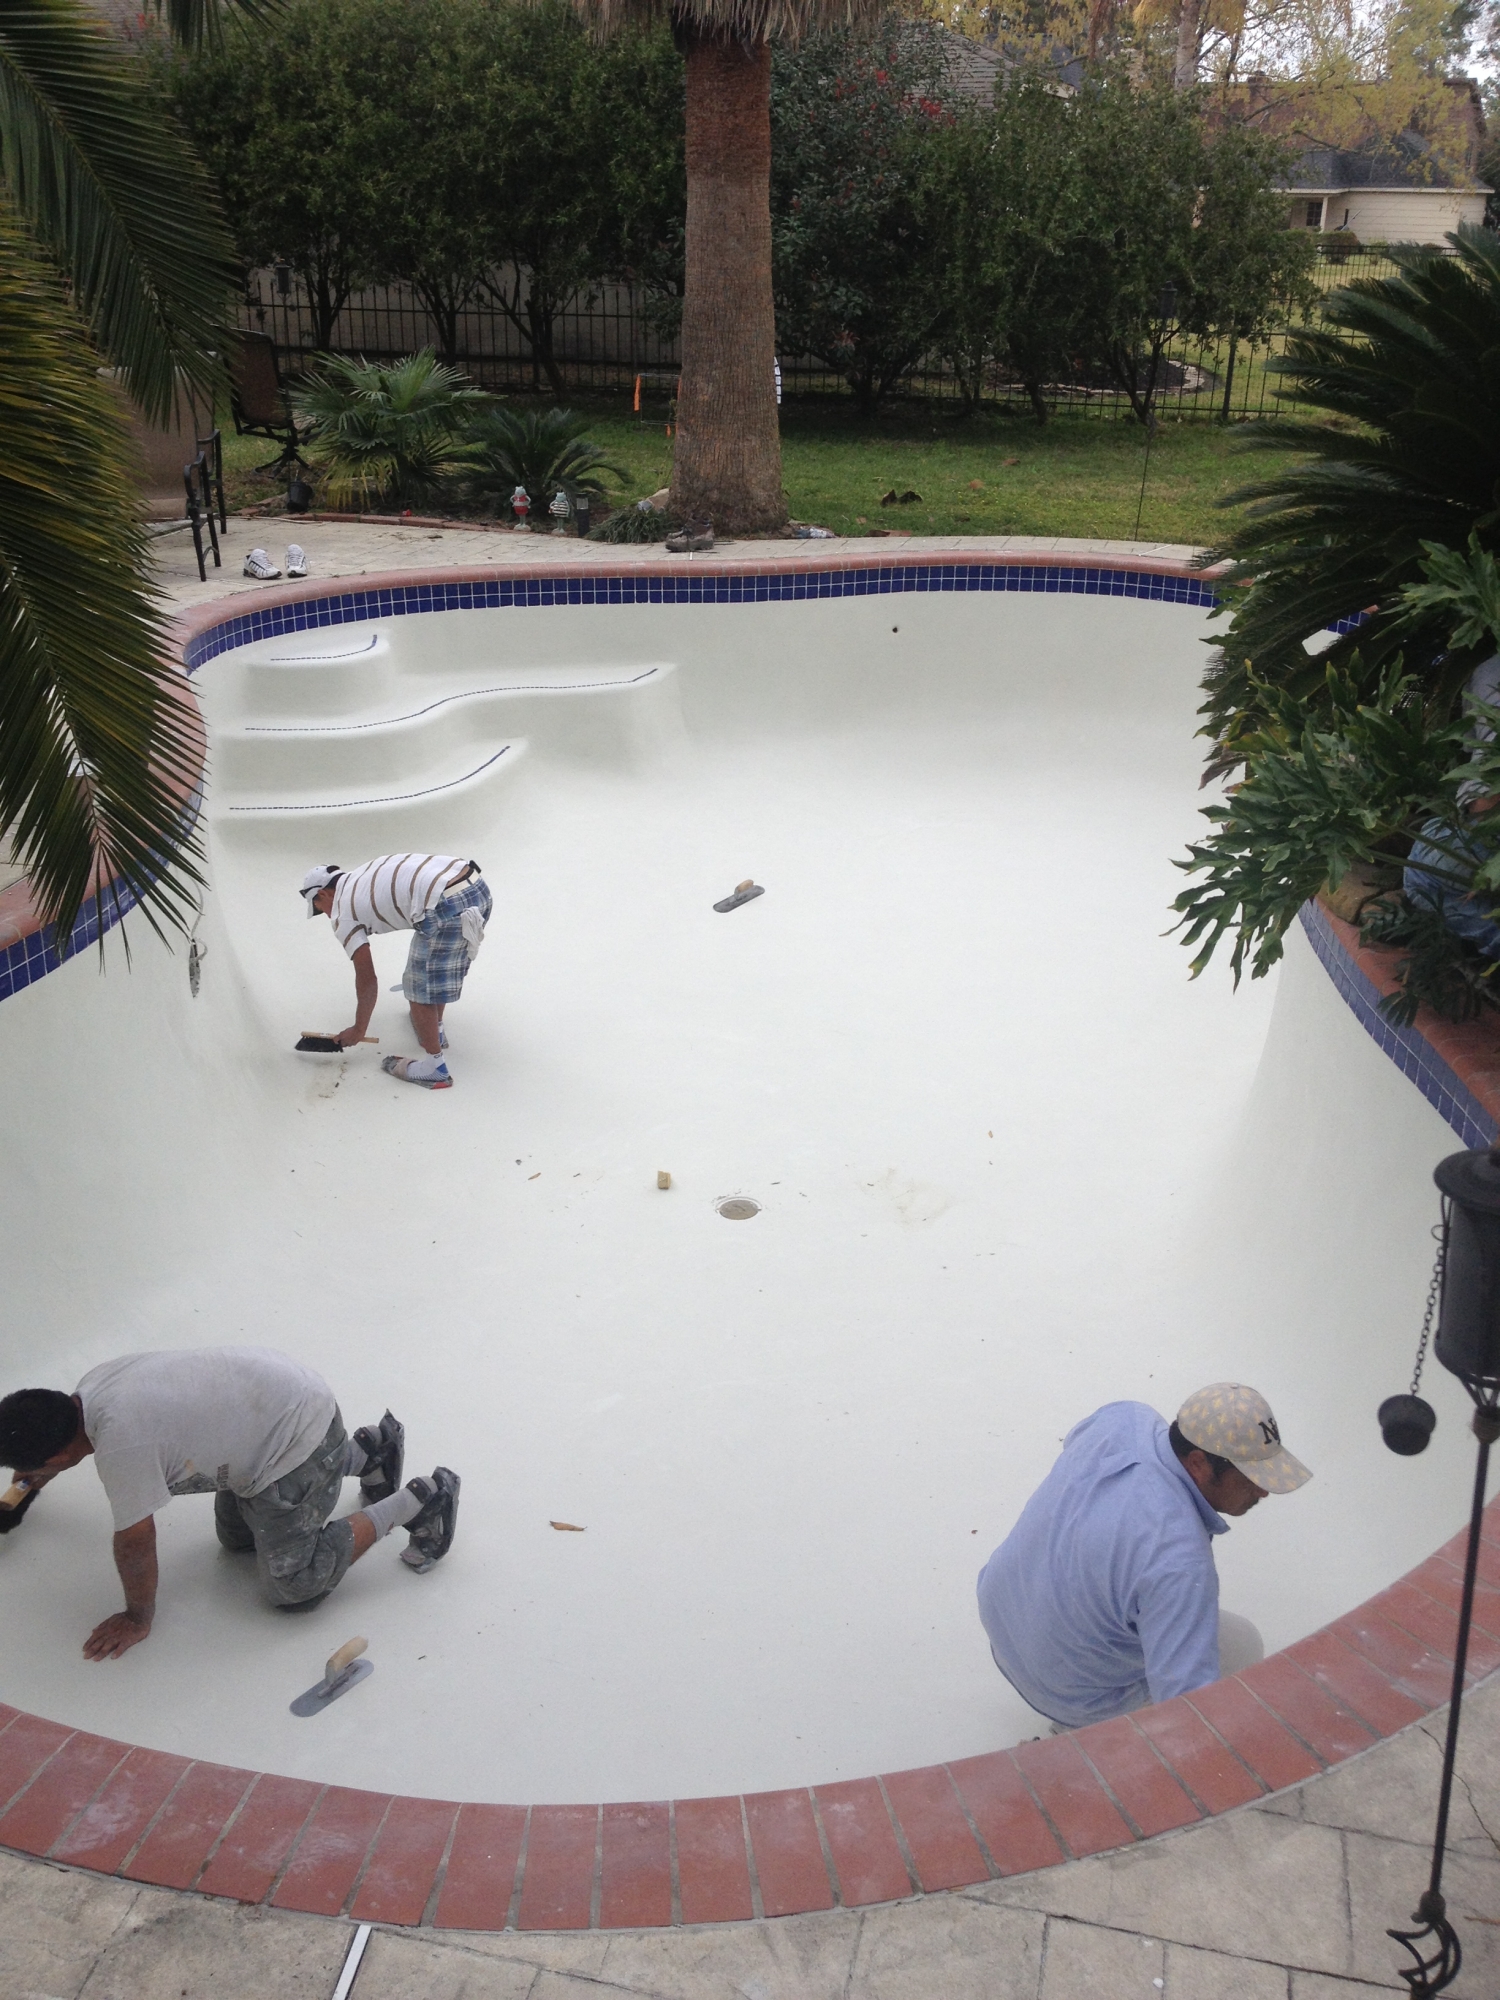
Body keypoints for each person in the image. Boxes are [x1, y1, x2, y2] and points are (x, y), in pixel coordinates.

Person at [0, 1348, 460, 1659]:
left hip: (297, 1435)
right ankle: (369, 1452)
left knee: (293, 1586)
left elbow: (135, 1543)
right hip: (282, 1405)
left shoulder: (123, 1444)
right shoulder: (91, 1389)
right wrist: (34, 1482)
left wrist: (136, 1617)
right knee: (237, 1540)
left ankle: (420, 1501)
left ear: (58, 1455)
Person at [976, 1384, 1310, 1730]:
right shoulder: (1177, 1563)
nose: (1263, 1490)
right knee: (1242, 1645)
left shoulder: (1124, 1417)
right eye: (1251, 1477)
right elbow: (1187, 1710)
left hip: (1002, 1617)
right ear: (1199, 1464)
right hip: (1070, 1695)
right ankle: (1081, 1732)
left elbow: (1075, 1444)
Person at [300, 854, 492, 1089]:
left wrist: (359, 1029)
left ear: (323, 894)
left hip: (444, 903)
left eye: (320, 909)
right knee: (433, 970)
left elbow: (367, 978)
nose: (326, 916)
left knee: (417, 986)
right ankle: (435, 1029)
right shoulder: (360, 874)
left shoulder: (342, 913)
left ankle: (435, 1069)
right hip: (476, 886)